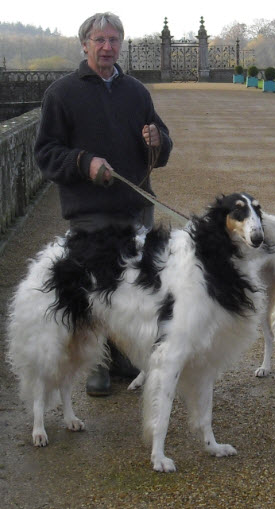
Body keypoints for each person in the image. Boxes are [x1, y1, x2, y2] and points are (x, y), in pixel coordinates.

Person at [34, 12, 173, 397]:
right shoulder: (61, 93)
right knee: (96, 295)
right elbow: (46, 154)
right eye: (99, 40)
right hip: (91, 212)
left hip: (136, 207)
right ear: (84, 44)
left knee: (133, 293)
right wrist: (84, 163)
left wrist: (157, 140)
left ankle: (123, 359)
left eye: (114, 40)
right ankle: (95, 366)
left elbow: (160, 148)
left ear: (121, 44)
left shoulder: (137, 92)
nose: (107, 47)